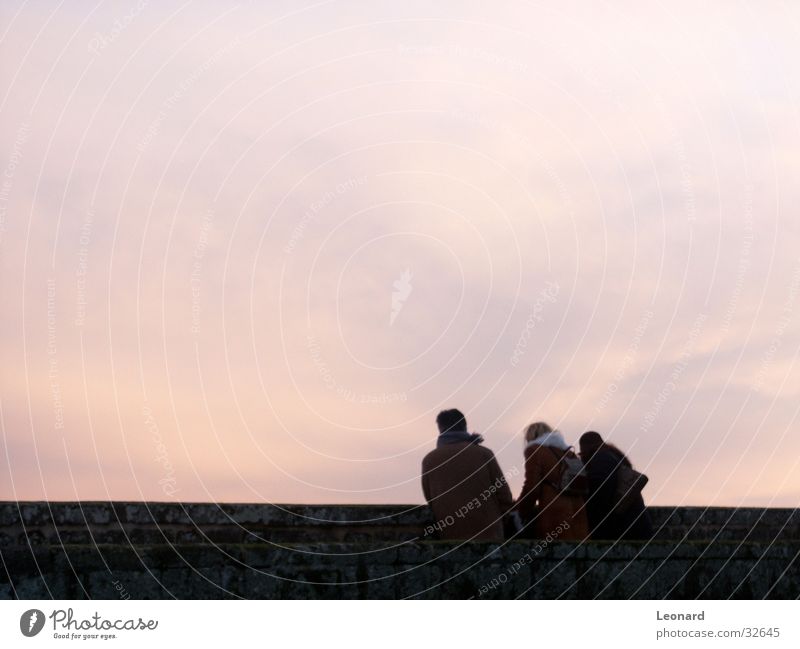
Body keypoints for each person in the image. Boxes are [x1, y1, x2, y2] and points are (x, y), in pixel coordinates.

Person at [421, 409, 513, 541]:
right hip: (489, 534)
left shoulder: (429, 459)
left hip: (449, 535)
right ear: (464, 426)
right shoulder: (484, 454)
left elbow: (430, 498)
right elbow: (504, 495)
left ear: (440, 428)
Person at [514, 422, 589, 540]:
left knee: (555, 553)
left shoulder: (535, 450)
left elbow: (532, 487)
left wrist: (520, 512)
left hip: (555, 514)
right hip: (578, 511)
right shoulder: (568, 453)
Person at [579, 431, 653, 540]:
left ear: (585, 449)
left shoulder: (601, 459)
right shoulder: (613, 457)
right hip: (635, 526)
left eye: (581, 453)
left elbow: (600, 496)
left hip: (625, 530)